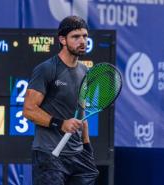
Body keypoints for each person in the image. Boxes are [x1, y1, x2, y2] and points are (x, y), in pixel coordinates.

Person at [23, 15, 99, 185]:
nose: (82, 41)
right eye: (76, 37)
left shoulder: (85, 72)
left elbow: (81, 115)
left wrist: (87, 148)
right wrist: (61, 123)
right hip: (49, 154)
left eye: (85, 36)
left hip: (77, 155)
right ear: (62, 40)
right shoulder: (46, 69)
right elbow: (28, 110)